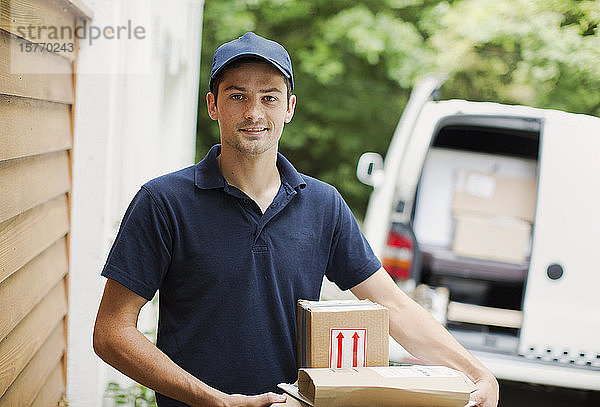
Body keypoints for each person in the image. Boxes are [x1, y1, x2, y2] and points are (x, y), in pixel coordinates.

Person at [93, 32, 499, 407]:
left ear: (288, 108)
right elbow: (112, 332)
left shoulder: (323, 205)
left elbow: (390, 303)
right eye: (237, 96)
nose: (254, 112)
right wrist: (211, 399)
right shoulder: (164, 202)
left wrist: (475, 371)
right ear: (213, 105)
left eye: (269, 97)